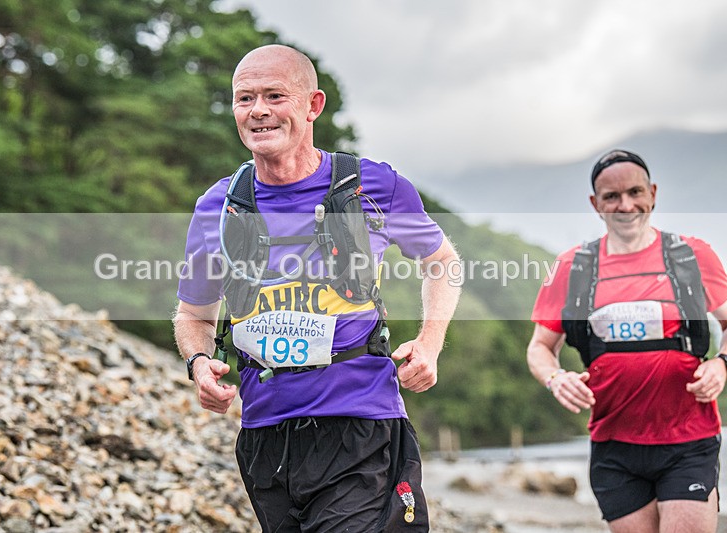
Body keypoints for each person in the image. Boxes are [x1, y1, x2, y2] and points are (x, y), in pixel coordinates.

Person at [173, 44, 460, 532]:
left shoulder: (374, 185)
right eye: (245, 99)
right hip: (265, 434)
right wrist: (199, 365)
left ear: (313, 105)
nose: (258, 110)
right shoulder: (219, 205)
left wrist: (430, 344)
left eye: (274, 96)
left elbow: (442, 262)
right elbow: (193, 315)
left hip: (359, 423)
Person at [527, 149, 727, 533]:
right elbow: (539, 347)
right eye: (612, 197)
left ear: (653, 193)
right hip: (614, 446)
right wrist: (556, 379)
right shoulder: (573, 268)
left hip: (688, 439)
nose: (626, 205)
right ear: (595, 204)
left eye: (635, 192)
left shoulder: (691, 256)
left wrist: (721, 362)